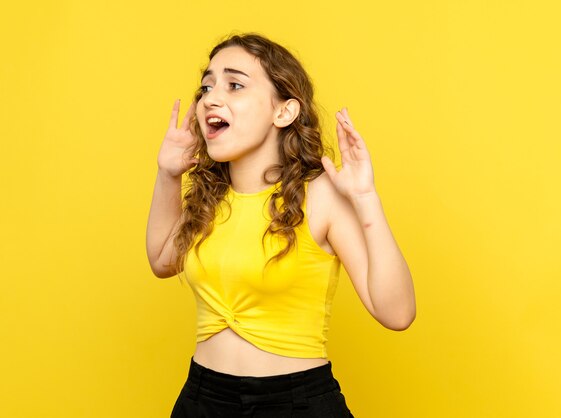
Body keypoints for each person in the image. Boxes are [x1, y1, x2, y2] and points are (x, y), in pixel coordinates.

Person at [146, 33, 416, 418]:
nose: (211, 98)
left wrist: (365, 198)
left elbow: (398, 313)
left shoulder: (319, 196)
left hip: (295, 404)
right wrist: (168, 173)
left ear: (284, 112)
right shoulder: (210, 197)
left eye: (234, 84)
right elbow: (161, 260)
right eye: (206, 87)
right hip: (202, 400)